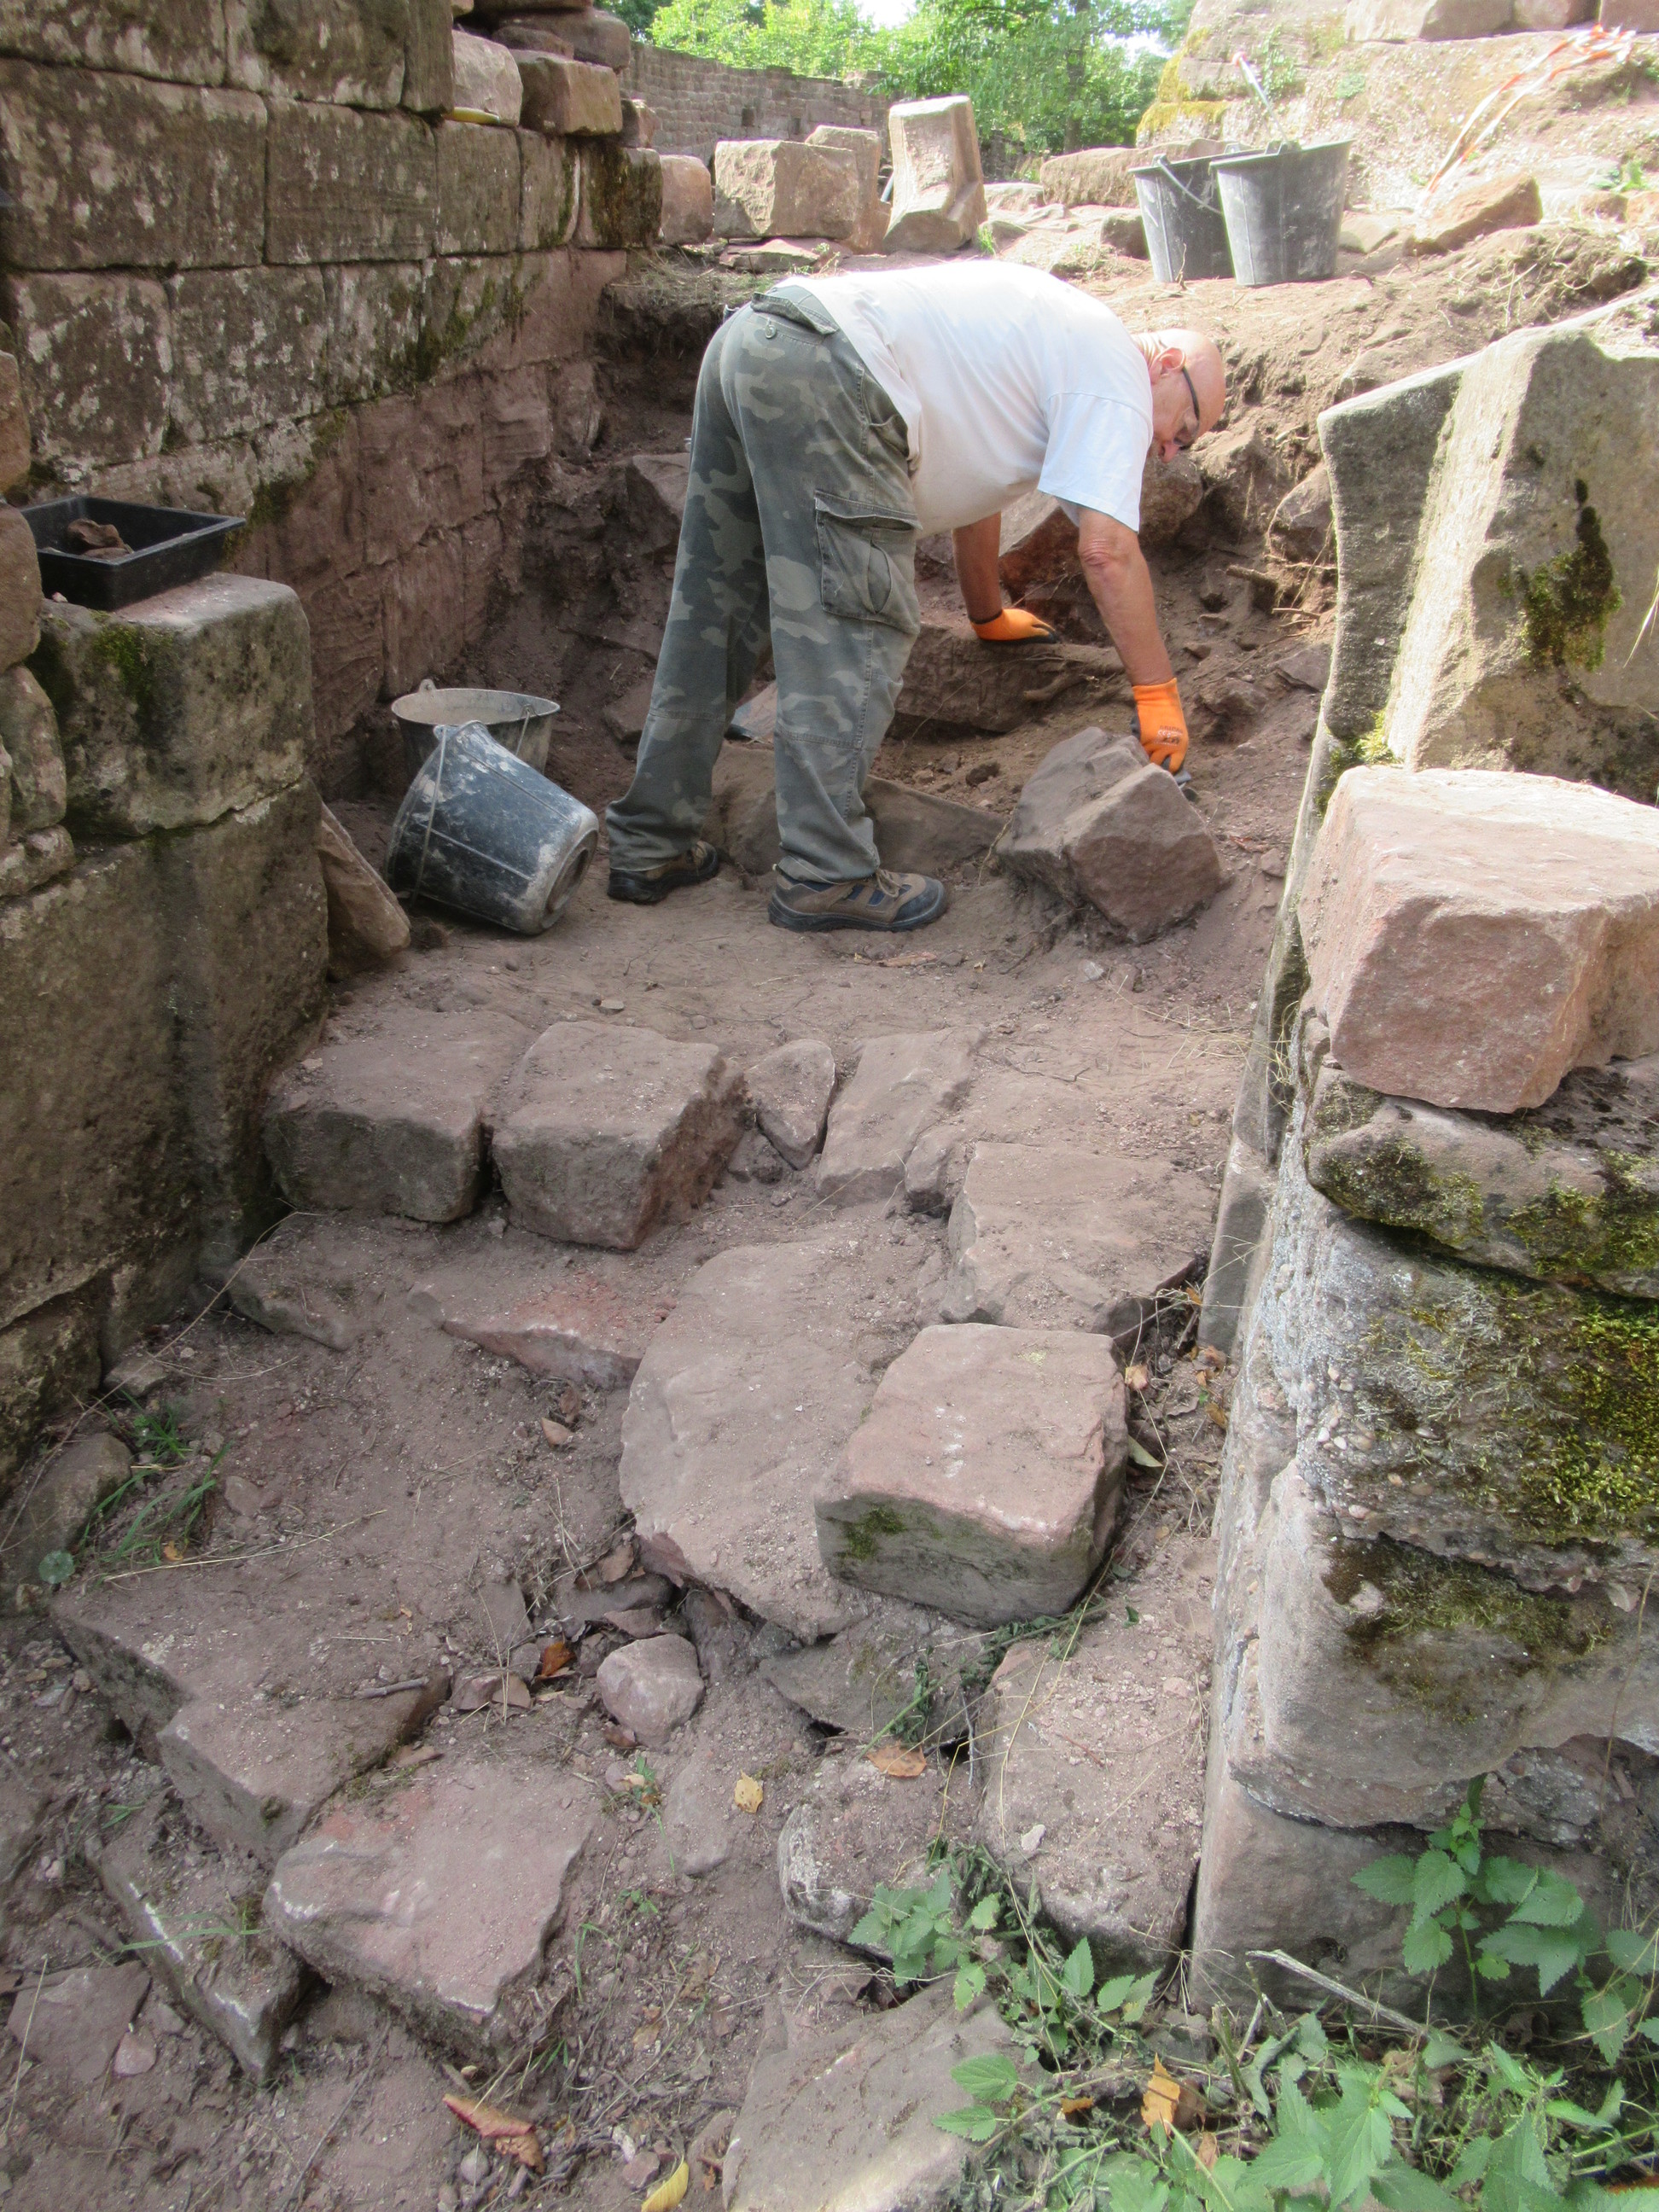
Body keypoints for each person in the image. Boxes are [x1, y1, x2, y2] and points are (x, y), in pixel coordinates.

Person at [605, 259, 1225, 934]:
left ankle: (650, 843)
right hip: (833, 368)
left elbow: (983, 490)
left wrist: (986, 613)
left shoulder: (1056, 341)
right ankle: (824, 872)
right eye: (1184, 428)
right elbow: (1108, 553)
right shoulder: (1118, 369)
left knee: (716, 605)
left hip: (756, 339)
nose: (1170, 452)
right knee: (857, 625)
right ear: (1167, 365)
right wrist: (1158, 695)